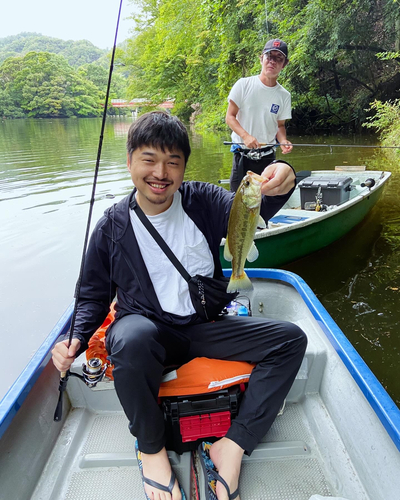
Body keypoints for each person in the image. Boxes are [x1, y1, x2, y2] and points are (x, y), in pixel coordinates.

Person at [52, 111, 307, 500]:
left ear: (184, 167)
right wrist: (75, 338)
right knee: (129, 337)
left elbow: (257, 209)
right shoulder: (112, 226)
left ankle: (233, 445)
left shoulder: (203, 200)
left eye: (173, 162)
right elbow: (91, 295)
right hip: (152, 332)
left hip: (205, 326)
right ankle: (152, 449)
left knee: (290, 340)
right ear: (130, 162)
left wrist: (283, 173)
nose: (161, 172)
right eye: (149, 159)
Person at [226, 38, 293, 192]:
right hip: (242, 156)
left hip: (268, 157)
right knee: (236, 201)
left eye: (279, 58)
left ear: (284, 64)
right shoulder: (243, 84)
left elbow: (280, 125)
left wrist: (283, 140)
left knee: (265, 199)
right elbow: (230, 117)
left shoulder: (284, 95)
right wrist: (245, 136)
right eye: (269, 56)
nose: (272, 61)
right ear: (261, 58)